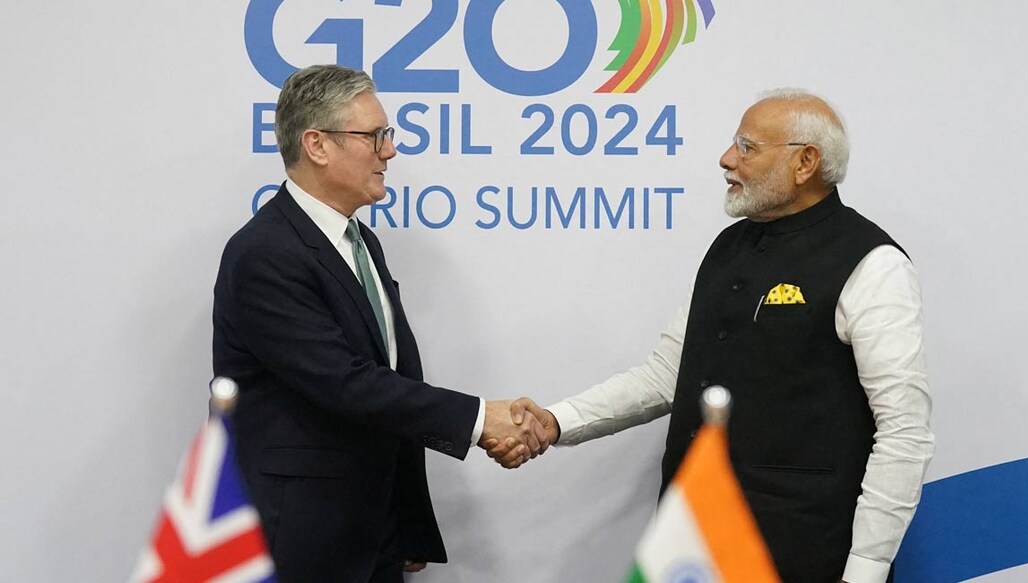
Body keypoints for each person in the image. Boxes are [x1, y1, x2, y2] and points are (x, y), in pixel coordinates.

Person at [491, 90, 934, 583]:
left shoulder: (873, 263)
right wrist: (556, 422)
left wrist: (866, 571)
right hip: (693, 550)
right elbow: (668, 376)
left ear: (805, 162)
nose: (727, 160)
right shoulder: (727, 247)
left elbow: (904, 432)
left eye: (747, 147)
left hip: (803, 555)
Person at [212, 64, 547, 583]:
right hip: (301, 542)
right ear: (317, 145)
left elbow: (392, 383)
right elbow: (347, 384)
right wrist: (482, 421)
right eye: (374, 136)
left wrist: (406, 521)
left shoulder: (361, 242)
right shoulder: (264, 253)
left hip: (375, 535)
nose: (389, 151)